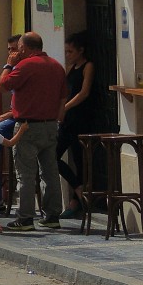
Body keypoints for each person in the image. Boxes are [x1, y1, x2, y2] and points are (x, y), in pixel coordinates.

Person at [0, 31, 68, 232]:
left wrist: (8, 65)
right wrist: (58, 119)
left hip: (27, 126)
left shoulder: (25, 65)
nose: (17, 51)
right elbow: (63, 97)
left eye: (19, 48)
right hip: (50, 125)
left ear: (24, 48)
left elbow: (3, 85)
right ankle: (52, 215)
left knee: (26, 174)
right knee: (50, 172)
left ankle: (25, 218)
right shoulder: (56, 66)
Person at [58, 31, 104, 218]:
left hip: (81, 117)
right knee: (53, 156)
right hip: (68, 119)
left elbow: (84, 92)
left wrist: (66, 107)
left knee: (79, 158)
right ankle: (78, 188)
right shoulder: (70, 68)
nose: (67, 55)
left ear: (80, 50)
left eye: (70, 51)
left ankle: (77, 201)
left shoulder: (88, 66)